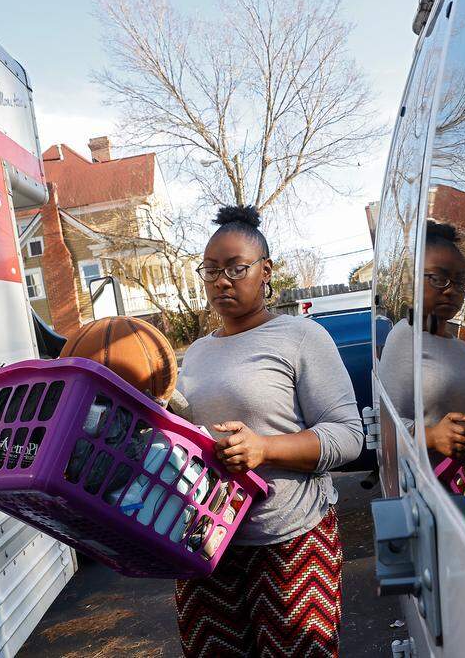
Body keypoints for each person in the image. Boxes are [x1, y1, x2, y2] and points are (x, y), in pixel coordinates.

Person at [175, 205, 363, 657]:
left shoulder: (300, 336)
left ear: (265, 272)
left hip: (290, 540)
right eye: (211, 270)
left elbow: (349, 436)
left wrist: (264, 448)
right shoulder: (197, 353)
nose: (222, 280)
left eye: (236, 268)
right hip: (207, 544)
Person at [380, 221, 465, 459]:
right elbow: (385, 427)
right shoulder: (406, 337)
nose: (452, 290)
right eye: (439, 278)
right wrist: (430, 437)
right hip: (428, 486)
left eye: (461, 282)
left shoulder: (461, 347)